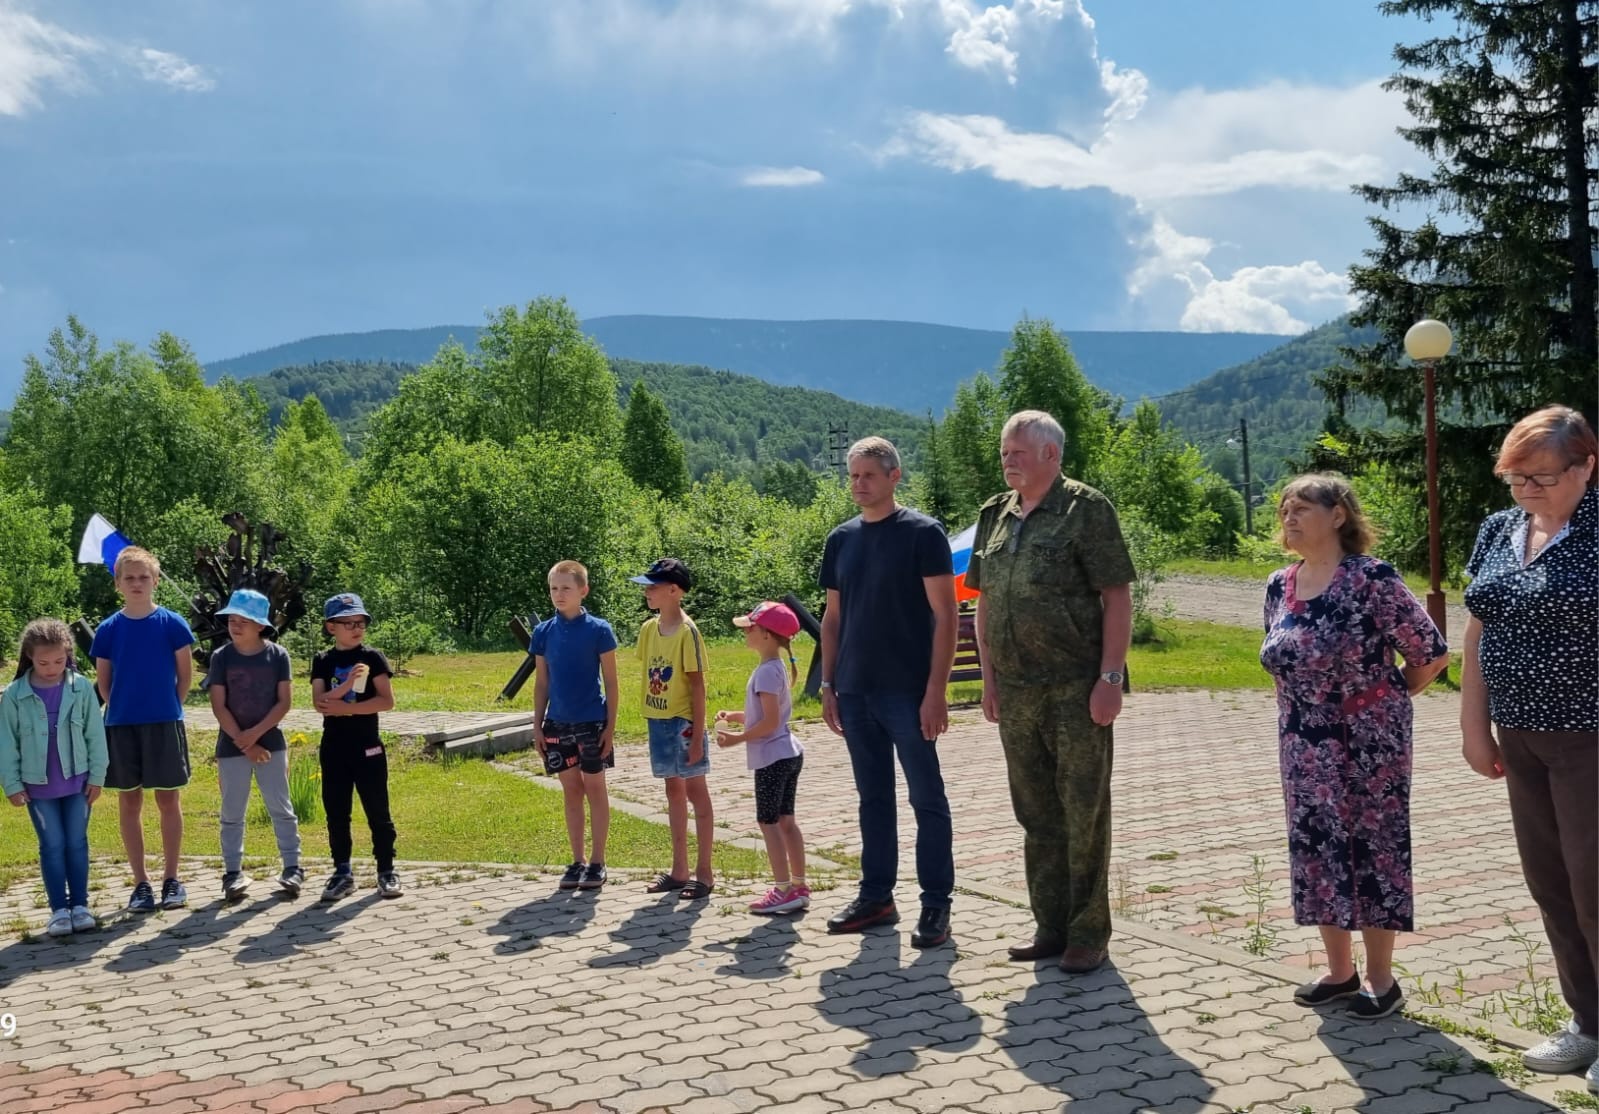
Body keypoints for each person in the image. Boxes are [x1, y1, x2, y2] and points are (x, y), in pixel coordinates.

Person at [1261, 473, 1447, 1019]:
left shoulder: (1372, 579)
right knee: (1316, 849)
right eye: (1284, 511)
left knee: (1373, 851)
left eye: (1300, 509)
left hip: (1368, 743)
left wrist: (1376, 701)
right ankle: (1339, 972)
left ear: (1337, 515)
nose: (1288, 519)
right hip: (1301, 741)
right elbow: (1279, 661)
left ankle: (1382, 980)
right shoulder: (1279, 584)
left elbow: (1430, 655)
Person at [1458, 405, 1597, 1088]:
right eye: (1514, 480)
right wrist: (1471, 725)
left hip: (1589, 738)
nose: (1525, 492)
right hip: (1519, 737)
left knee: (1595, 885)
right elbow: (1478, 630)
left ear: (1585, 467)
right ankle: (1586, 1023)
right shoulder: (1498, 529)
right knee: (1550, 885)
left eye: (1540, 478)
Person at [967, 410, 1135, 974]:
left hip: (1076, 688)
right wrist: (988, 680)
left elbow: (1116, 596)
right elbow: (984, 601)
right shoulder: (995, 513)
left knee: (1083, 811)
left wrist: (1110, 678)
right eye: (1004, 450)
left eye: (1018, 451)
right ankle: (1050, 924)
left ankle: (1088, 932)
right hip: (1015, 690)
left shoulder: (1087, 510)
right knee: (1036, 814)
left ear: (1050, 456)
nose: (1007, 459)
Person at [819, 436, 957, 947]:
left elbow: (948, 614)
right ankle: (877, 896)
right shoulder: (841, 539)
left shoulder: (923, 534)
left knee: (927, 798)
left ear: (894, 476)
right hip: (854, 691)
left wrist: (935, 692)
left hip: (908, 692)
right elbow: (832, 618)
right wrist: (829, 684)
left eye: (868, 476)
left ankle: (936, 904)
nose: (858, 484)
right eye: (853, 476)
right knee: (872, 799)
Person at [90, 546, 196, 913]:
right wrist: (122, 707)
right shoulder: (107, 629)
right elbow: (104, 684)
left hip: (164, 722)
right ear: (118, 583)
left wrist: (169, 706)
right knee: (129, 801)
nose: (137, 583)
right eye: (129, 577)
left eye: (143, 577)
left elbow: (185, 676)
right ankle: (141, 883)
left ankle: (171, 879)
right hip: (121, 726)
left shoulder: (172, 623)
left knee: (168, 800)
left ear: (155, 581)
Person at [0, 619, 108, 936]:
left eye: (59, 661)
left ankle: (80, 906)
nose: (52, 668)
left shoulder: (82, 689)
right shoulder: (13, 696)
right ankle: (59, 911)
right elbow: (7, 743)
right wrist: (12, 784)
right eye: (43, 662)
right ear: (29, 657)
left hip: (78, 783)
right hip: (37, 788)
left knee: (77, 843)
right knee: (52, 844)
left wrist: (97, 776)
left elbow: (95, 736)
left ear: (68, 655)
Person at [206, 589, 302, 901]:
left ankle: (293, 867)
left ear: (260, 625)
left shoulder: (278, 656)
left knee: (281, 807)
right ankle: (232, 873)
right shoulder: (221, 657)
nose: (235, 625)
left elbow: (283, 703)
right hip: (232, 745)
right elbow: (219, 706)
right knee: (232, 811)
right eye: (231, 619)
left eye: (243, 620)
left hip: (270, 742)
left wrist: (257, 735)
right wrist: (245, 743)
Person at [715, 601, 808, 915]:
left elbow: (768, 723)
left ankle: (782, 889)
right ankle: (799, 884)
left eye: (751, 627)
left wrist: (737, 739)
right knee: (786, 822)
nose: (746, 631)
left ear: (767, 635)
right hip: (788, 752)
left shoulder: (767, 672)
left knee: (768, 822)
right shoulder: (775, 667)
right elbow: (766, 715)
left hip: (772, 758)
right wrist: (737, 716)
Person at [532, 560, 620, 892]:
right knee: (571, 791)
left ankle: (598, 861)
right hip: (557, 724)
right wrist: (537, 725)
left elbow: (611, 683)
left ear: (583, 590)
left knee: (595, 789)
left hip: (592, 723)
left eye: (566, 588)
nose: (559, 594)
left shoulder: (599, 630)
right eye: (554, 588)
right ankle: (577, 860)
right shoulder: (543, 632)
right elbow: (542, 683)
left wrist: (610, 728)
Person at [633, 558, 716, 900]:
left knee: (696, 792)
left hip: (683, 724)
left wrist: (697, 735)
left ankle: (705, 873)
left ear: (675, 590)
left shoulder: (687, 632)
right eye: (647, 585)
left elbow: (698, 687)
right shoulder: (649, 629)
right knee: (673, 792)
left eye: (654, 585)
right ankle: (679, 870)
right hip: (658, 721)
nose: (648, 591)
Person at [311, 593, 399, 901]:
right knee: (337, 812)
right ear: (331, 627)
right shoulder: (323, 661)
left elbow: (386, 701)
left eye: (360, 622)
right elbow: (320, 703)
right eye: (348, 623)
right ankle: (342, 872)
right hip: (334, 746)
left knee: (378, 809)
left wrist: (346, 708)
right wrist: (348, 686)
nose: (356, 628)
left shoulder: (373, 658)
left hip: (367, 745)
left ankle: (386, 870)